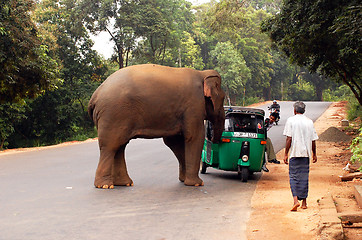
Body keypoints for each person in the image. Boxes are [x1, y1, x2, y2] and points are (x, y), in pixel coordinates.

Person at [283, 101, 318, 211]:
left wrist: (285, 153)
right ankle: (304, 203)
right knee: (304, 177)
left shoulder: (291, 120)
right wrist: (314, 153)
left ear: (294, 110)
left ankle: (295, 201)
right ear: (304, 111)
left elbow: (289, 139)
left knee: (294, 177)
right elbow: (313, 140)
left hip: (294, 154)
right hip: (306, 154)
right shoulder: (309, 122)